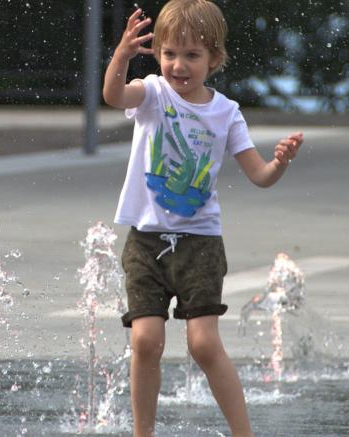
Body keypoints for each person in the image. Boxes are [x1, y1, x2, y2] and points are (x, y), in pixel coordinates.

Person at [102, 1, 303, 436]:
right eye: (170, 53)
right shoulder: (152, 93)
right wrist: (120, 56)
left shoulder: (226, 113)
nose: (179, 65)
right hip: (147, 239)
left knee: (204, 344)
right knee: (145, 340)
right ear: (158, 55)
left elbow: (260, 175)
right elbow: (114, 96)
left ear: (215, 59)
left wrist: (280, 163)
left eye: (192, 55)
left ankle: (243, 432)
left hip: (200, 244)